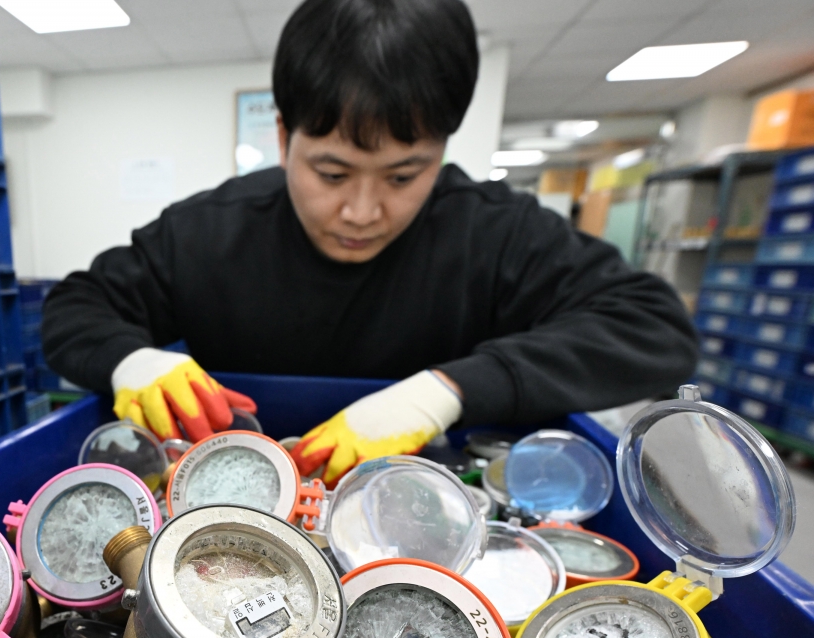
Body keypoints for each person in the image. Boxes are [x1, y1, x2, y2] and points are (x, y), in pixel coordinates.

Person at [40, 0, 698, 487]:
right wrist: (134, 362)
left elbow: (654, 328)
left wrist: (445, 392)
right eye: (330, 173)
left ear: (441, 150)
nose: (361, 211)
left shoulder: (495, 232)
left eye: (404, 175)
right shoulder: (209, 231)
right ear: (283, 136)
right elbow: (75, 307)